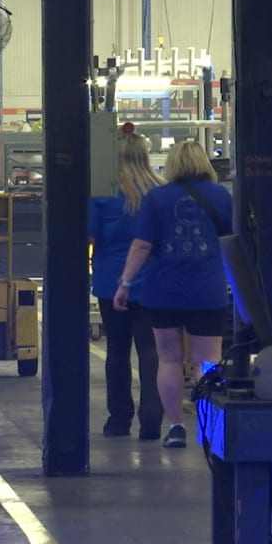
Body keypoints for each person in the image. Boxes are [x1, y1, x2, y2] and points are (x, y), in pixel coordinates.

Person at [114, 139, 231, 449]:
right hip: (208, 290)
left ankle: (177, 426)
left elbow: (141, 245)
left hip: (163, 291)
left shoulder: (157, 198)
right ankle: (210, 430)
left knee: (169, 359)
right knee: (208, 361)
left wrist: (125, 284)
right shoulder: (221, 196)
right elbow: (233, 244)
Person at [89, 133, 164, 440]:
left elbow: (89, 236)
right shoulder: (160, 192)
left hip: (111, 281)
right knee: (151, 351)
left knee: (117, 351)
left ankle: (119, 420)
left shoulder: (103, 193)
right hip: (155, 284)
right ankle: (151, 422)